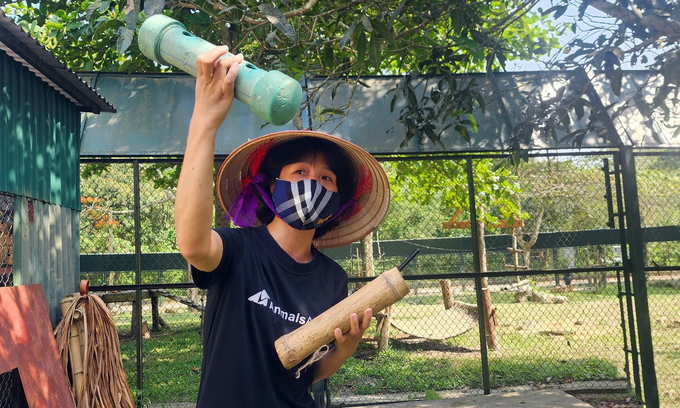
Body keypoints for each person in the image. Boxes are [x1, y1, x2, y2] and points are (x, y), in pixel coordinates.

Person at [174, 46, 391, 407]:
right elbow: (193, 244)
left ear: (338, 203)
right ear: (273, 184)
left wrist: (344, 350)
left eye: (327, 178)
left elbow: (309, 369)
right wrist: (204, 123)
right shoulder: (237, 251)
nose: (313, 184)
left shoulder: (333, 279)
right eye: (300, 172)